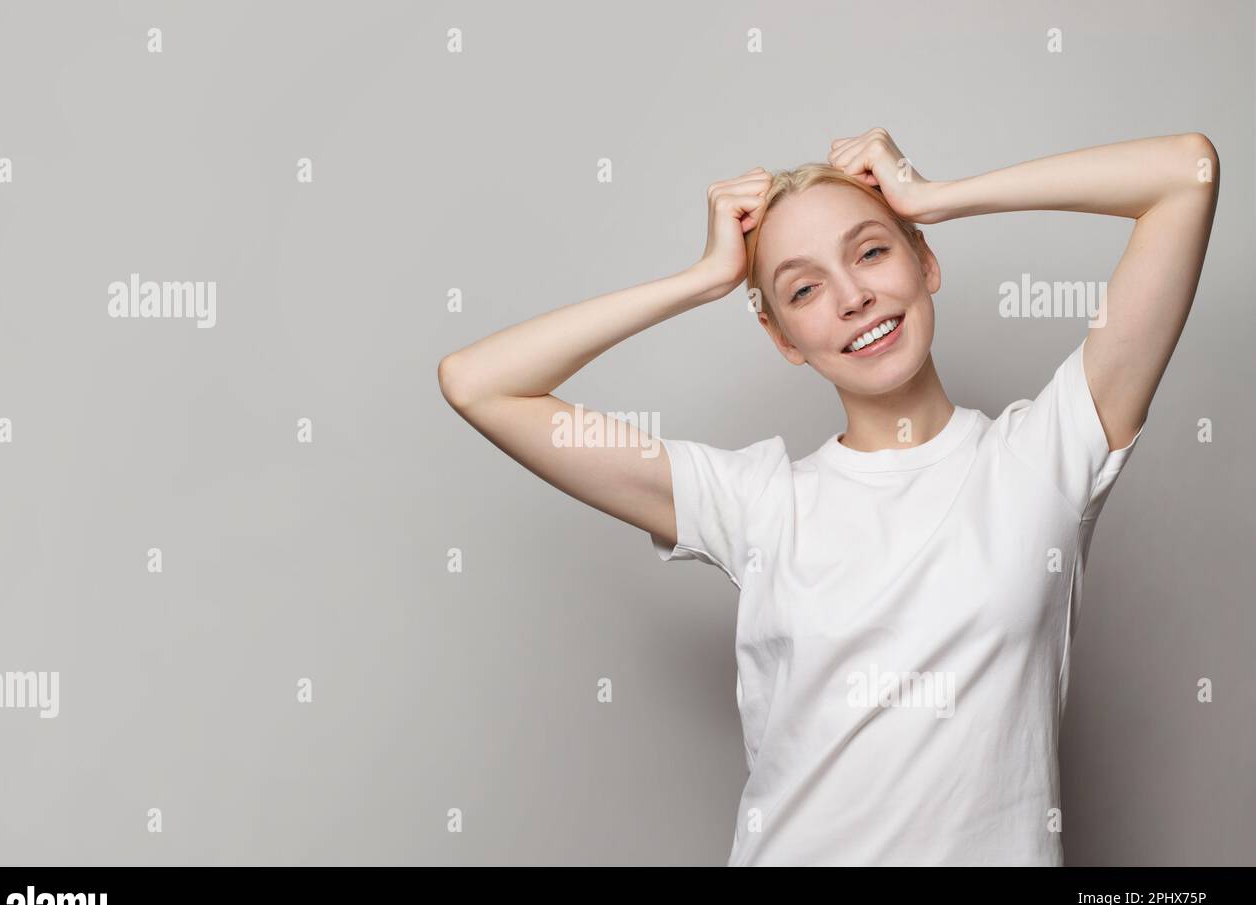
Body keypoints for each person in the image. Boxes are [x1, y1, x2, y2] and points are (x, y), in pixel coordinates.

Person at [437, 129, 1220, 865]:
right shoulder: (756, 501)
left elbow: (1187, 173)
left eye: (873, 252)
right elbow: (479, 384)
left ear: (925, 262)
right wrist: (702, 279)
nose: (852, 298)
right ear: (782, 338)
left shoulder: (1046, 453)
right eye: (804, 290)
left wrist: (937, 194)